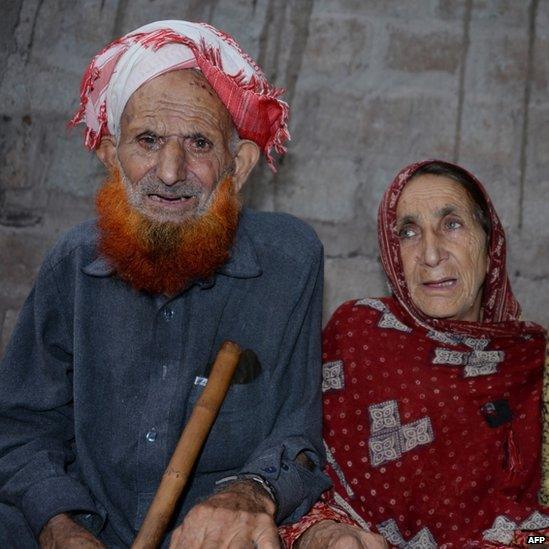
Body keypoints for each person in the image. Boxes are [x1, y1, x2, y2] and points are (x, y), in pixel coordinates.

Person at [0, 20, 331, 548]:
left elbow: (299, 436)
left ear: (238, 164)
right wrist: (59, 524)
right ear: (112, 157)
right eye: (148, 140)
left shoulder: (290, 261)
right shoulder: (72, 263)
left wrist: (248, 492)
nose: (171, 170)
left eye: (199, 143)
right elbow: (20, 428)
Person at [280, 160, 548, 548]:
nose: (431, 254)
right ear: (392, 255)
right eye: (408, 232)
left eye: (452, 224)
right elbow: (298, 470)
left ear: (491, 246)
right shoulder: (360, 337)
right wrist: (322, 532)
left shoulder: (535, 364)